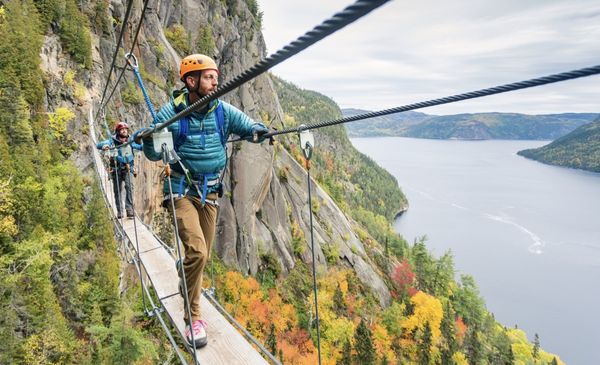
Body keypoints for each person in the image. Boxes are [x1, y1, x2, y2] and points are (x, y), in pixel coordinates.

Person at [137, 54, 269, 348]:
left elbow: (248, 126)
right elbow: (154, 154)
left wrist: (259, 131)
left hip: (209, 193)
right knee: (197, 251)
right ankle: (193, 317)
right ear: (191, 81)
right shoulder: (171, 114)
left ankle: (185, 271)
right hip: (181, 190)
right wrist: (148, 139)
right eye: (209, 77)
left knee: (201, 257)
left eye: (216, 76)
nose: (216, 81)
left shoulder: (222, 111)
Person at [97, 121, 143, 219]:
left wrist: (148, 144)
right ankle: (119, 211)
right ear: (118, 131)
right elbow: (98, 145)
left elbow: (139, 147)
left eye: (126, 129)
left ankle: (129, 209)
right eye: (122, 129)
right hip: (116, 169)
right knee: (117, 191)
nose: (124, 131)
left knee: (129, 186)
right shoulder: (112, 142)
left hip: (128, 168)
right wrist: (104, 146)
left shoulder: (130, 141)